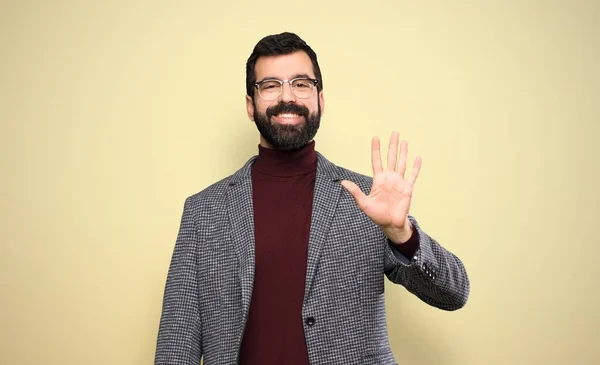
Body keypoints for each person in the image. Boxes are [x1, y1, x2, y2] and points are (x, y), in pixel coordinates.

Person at [154, 32, 470, 365]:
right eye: (271, 85)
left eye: (301, 84)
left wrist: (401, 234)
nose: (287, 97)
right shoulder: (204, 210)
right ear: (251, 105)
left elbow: (453, 294)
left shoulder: (368, 201)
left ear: (320, 99)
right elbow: (178, 340)